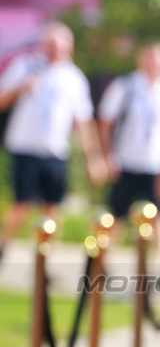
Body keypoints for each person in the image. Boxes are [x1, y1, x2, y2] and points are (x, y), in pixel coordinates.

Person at [0, 22, 106, 256]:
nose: (56, 50)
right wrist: (21, 88)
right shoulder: (25, 66)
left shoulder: (74, 77)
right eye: (51, 44)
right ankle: (2, 246)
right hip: (25, 147)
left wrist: (94, 158)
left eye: (61, 45)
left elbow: (84, 122)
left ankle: (44, 256)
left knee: (53, 207)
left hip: (55, 150)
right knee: (22, 203)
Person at [98, 41, 160, 220]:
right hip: (126, 162)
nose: (154, 66)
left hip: (157, 165)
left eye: (159, 62)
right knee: (115, 216)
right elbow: (106, 121)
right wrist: (107, 155)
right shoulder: (124, 86)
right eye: (150, 60)